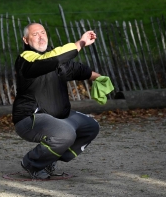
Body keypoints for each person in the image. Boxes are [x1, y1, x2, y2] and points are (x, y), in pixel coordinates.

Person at [12, 23, 101, 179]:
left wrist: (100, 78)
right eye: (35, 34)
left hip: (58, 117)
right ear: (25, 40)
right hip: (29, 119)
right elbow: (53, 59)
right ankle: (31, 163)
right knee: (66, 134)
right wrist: (80, 43)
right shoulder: (26, 59)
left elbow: (76, 69)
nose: (40, 37)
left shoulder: (55, 60)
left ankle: (47, 161)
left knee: (90, 126)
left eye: (43, 33)